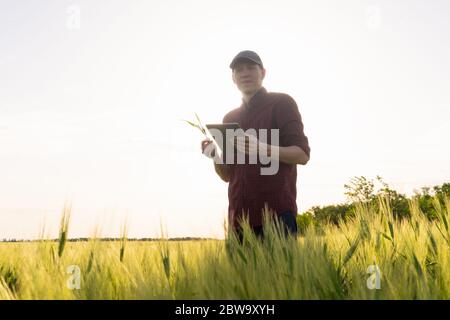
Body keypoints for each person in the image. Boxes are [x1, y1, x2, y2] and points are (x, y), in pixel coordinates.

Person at [201, 50, 310, 243]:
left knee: (281, 275)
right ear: (233, 78)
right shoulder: (230, 118)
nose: (245, 73)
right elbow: (227, 174)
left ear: (263, 72)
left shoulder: (281, 103)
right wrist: (214, 155)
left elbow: (302, 155)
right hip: (238, 221)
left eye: (251, 67)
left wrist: (261, 148)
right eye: (239, 70)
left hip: (277, 218)